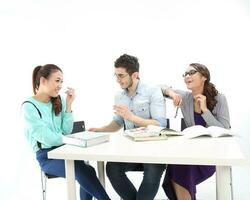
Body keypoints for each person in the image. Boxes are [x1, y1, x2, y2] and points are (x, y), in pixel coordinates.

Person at [21, 64, 110, 200]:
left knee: (87, 170)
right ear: (43, 81)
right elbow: (47, 138)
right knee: (81, 169)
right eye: (57, 81)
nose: (60, 85)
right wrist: (69, 139)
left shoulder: (59, 100)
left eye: (62, 81)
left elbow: (66, 130)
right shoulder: (29, 107)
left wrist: (68, 105)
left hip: (66, 151)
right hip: (47, 157)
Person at [89, 54, 167, 200]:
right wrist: (100, 129)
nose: (118, 80)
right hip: (130, 150)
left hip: (153, 150)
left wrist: (132, 117)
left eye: (121, 76)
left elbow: (160, 124)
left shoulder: (153, 91)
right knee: (112, 168)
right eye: (116, 76)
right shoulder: (119, 96)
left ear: (135, 74)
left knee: (152, 171)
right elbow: (118, 123)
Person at [161, 63, 231, 200]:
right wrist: (172, 93)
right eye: (185, 74)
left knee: (180, 165)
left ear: (204, 76)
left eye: (192, 72)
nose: (187, 76)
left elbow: (224, 129)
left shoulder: (219, 98)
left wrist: (205, 110)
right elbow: (158, 88)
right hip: (189, 151)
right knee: (177, 162)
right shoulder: (185, 97)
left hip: (210, 154)